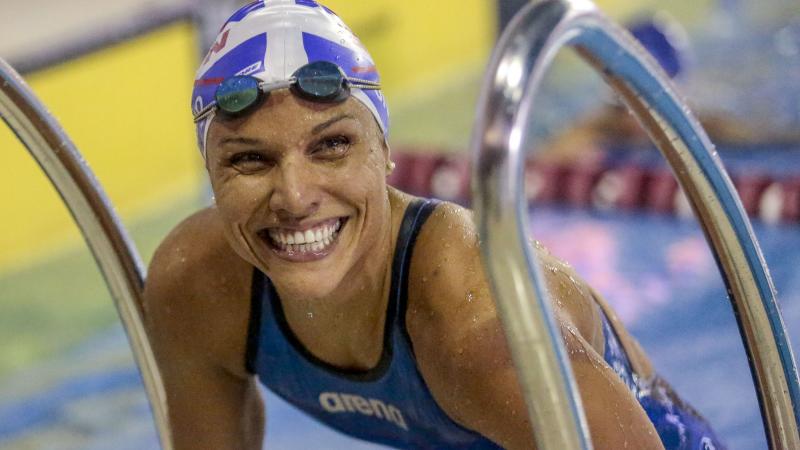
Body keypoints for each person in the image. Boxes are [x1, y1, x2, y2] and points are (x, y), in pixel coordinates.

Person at [143, 1, 725, 448]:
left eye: (332, 147)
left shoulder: (477, 330)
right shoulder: (197, 287)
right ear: (211, 177)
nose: (294, 198)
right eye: (250, 159)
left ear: (386, 154)